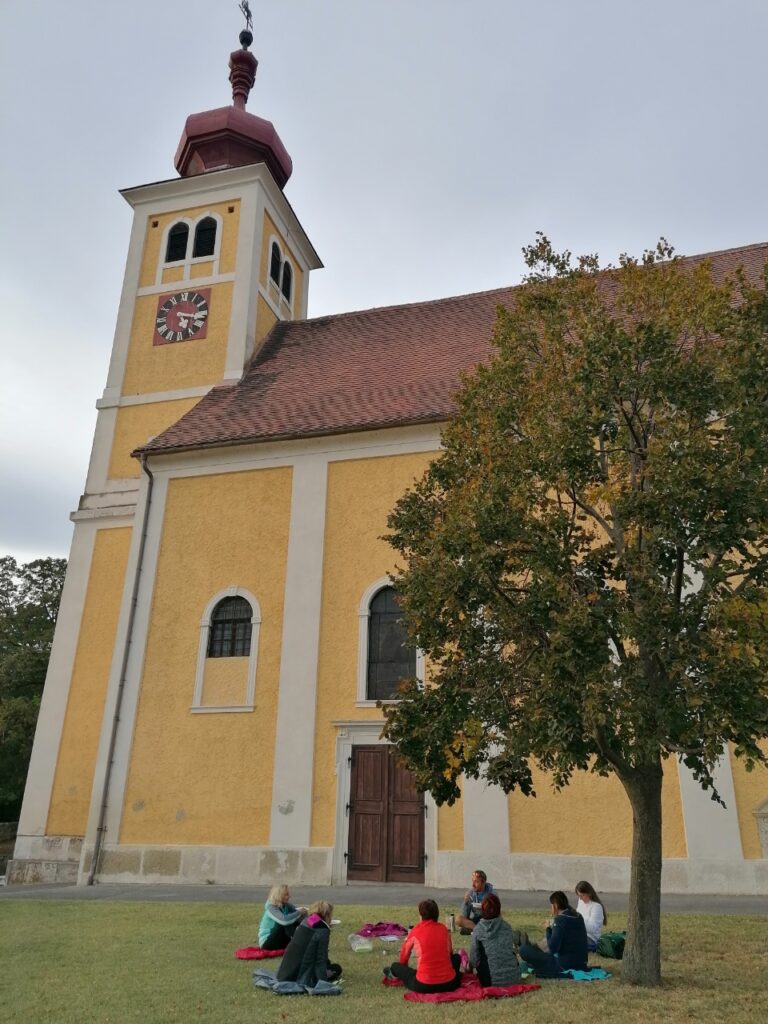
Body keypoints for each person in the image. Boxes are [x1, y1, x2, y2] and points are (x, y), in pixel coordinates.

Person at [386, 899, 461, 993]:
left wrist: (404, 969)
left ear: (421, 915)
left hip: (424, 985)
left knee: (395, 966)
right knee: (457, 957)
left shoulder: (416, 931)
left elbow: (404, 956)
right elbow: (450, 954)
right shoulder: (444, 929)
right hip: (450, 984)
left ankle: (392, 973)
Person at [518, 891, 588, 978]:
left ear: (555, 905)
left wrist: (548, 929)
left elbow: (553, 948)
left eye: (551, 905)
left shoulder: (560, 920)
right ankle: (533, 948)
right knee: (537, 951)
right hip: (582, 964)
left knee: (523, 950)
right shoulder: (578, 916)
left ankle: (528, 947)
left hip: (564, 965)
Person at [276, 900, 342, 985]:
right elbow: (320, 960)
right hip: (299, 976)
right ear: (328, 914)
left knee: (327, 963)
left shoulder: (306, 920)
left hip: (284, 972)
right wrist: (322, 982)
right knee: (336, 968)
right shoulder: (323, 930)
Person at [469, 893, 522, 987]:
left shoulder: (478, 929)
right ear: (499, 909)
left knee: (481, 956)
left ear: (482, 910)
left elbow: (474, 960)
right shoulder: (507, 926)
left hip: (491, 981)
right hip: (515, 978)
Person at [258, 884, 307, 950]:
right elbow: (284, 920)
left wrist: (314, 917)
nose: (289, 896)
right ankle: (296, 943)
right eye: (286, 894)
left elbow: (298, 915)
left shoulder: (286, 905)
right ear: (279, 895)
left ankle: (301, 942)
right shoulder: (271, 907)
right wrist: (299, 912)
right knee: (286, 921)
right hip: (266, 942)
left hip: (279, 939)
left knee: (294, 919)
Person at [455, 869, 495, 934]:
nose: (473, 884)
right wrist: (466, 902)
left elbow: (496, 914)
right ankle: (478, 930)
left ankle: (473, 930)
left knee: (493, 923)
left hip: (487, 920)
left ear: (483, 883)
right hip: (474, 921)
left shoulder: (492, 894)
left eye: (476, 882)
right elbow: (464, 915)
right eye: (472, 881)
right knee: (458, 919)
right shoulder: (471, 892)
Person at [575, 880, 607, 951]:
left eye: (582, 895)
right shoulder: (581, 901)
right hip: (579, 933)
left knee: (567, 941)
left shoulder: (596, 907)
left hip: (591, 938)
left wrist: (578, 921)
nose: (580, 898)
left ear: (589, 893)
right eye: (578, 895)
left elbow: (593, 928)